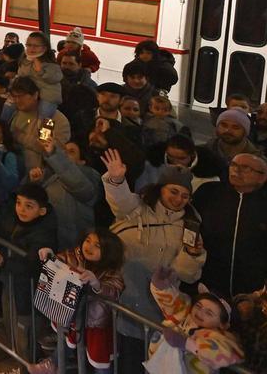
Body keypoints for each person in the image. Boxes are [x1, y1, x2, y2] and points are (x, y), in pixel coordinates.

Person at [101, 150, 206, 372]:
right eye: (173, 192)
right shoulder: (139, 208)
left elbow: (188, 275)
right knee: (121, 356)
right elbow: (120, 202)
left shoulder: (190, 226)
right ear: (161, 188)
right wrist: (117, 179)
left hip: (159, 310)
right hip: (123, 299)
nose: (178, 199)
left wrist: (192, 255)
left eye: (184, 196)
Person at [27, 228, 125, 374]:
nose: (89, 247)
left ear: (108, 252)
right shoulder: (76, 255)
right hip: (73, 316)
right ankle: (51, 365)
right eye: (88, 241)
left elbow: (114, 291)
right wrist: (51, 256)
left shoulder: (112, 271)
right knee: (66, 342)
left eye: (97, 245)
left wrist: (96, 283)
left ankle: (53, 364)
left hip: (97, 324)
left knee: (100, 362)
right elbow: (62, 260)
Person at [193, 152, 267, 298]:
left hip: (254, 293)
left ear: (263, 177)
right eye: (233, 165)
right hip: (207, 286)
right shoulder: (209, 193)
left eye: (245, 168)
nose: (236, 170)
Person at [148, 267, 244, 373]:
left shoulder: (220, 337)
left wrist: (186, 343)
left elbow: (229, 353)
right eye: (198, 306)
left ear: (223, 324)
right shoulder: (185, 313)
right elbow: (174, 301)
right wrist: (160, 286)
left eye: (209, 313)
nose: (200, 312)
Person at [0, 183, 59, 316]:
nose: (21, 209)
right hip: (9, 282)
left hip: (27, 291)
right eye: (18, 203)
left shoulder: (44, 233)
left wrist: (3, 261)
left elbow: (33, 264)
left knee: (24, 324)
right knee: (9, 314)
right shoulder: (12, 217)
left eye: (28, 206)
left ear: (42, 211)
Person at [28, 135, 101, 250]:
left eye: (71, 152)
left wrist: (54, 154)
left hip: (68, 244)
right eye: (63, 151)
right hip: (44, 236)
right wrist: (35, 183)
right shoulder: (50, 175)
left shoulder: (89, 175)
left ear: (82, 161)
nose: (64, 154)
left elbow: (78, 185)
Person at [8, 76, 70, 171]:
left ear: (35, 95)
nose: (17, 100)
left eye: (20, 96)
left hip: (39, 173)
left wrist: (21, 137)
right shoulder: (16, 113)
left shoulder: (54, 118)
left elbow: (54, 151)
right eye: (14, 96)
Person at [16, 32, 62, 119]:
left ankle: (42, 130)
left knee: (43, 113)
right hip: (30, 93)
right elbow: (21, 76)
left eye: (36, 46)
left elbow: (55, 78)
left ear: (44, 48)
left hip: (48, 96)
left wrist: (40, 71)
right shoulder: (25, 61)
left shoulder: (50, 62)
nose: (31, 48)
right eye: (29, 45)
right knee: (10, 105)